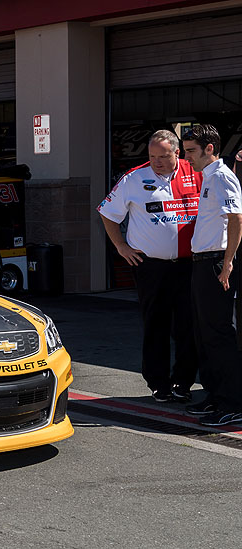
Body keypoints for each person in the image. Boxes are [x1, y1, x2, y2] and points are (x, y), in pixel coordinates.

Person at [97, 130, 202, 402]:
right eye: (152, 156)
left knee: (188, 326)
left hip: (189, 265)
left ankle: (183, 382)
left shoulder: (196, 173)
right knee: (156, 324)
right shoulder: (134, 178)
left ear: (177, 153)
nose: (156, 161)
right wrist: (121, 246)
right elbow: (107, 213)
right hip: (151, 266)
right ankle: (158, 384)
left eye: (163, 156)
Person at [181, 124, 242, 426]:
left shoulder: (220, 177)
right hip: (202, 263)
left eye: (191, 151)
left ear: (209, 149)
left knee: (219, 334)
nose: (186, 157)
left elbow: (236, 218)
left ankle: (232, 402)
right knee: (204, 335)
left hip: (216, 262)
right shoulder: (208, 177)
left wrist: (228, 261)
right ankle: (216, 396)